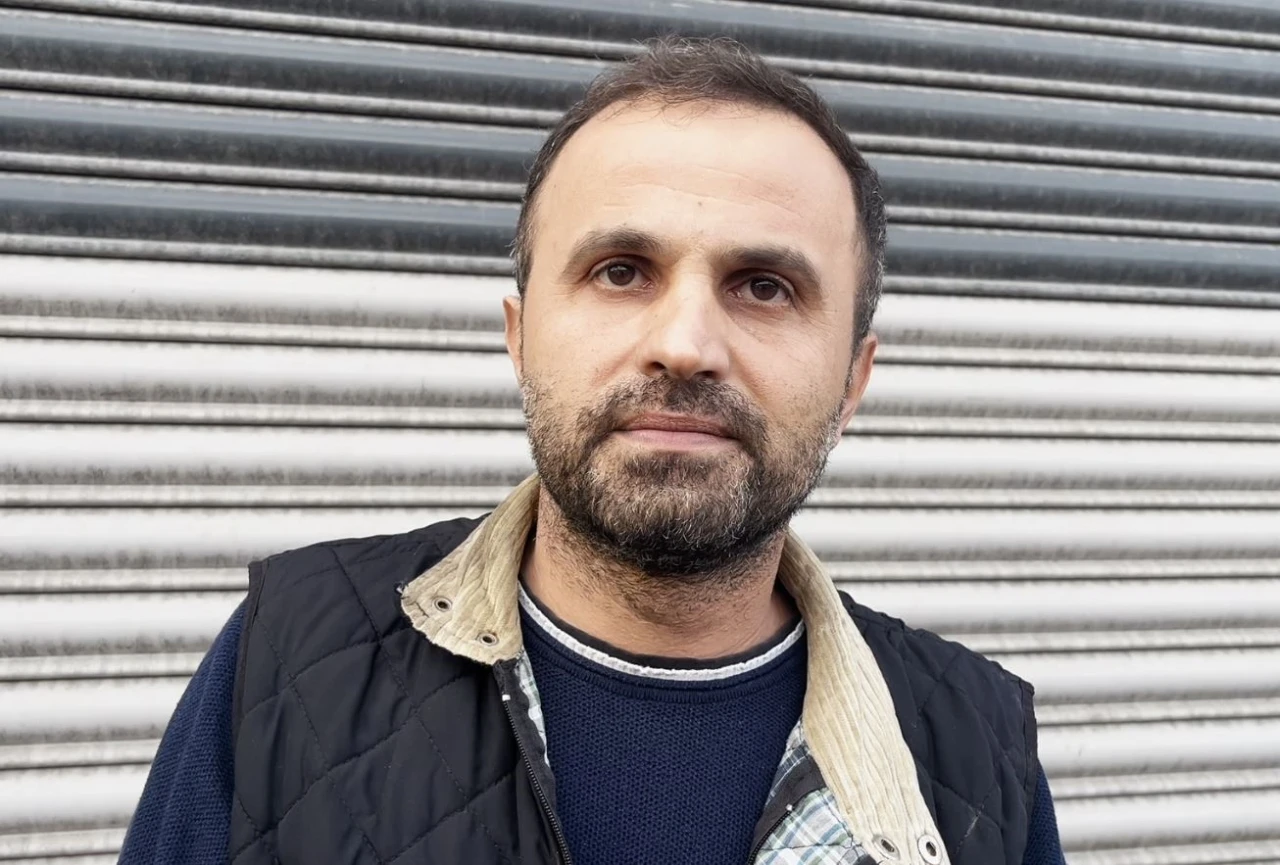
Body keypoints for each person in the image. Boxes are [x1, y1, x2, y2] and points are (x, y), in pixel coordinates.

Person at [121, 37, 1066, 865]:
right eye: (621, 271)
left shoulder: (977, 757)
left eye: (764, 286)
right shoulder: (290, 659)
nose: (685, 345)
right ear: (520, 337)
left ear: (853, 379)